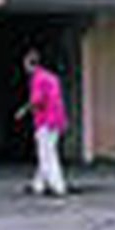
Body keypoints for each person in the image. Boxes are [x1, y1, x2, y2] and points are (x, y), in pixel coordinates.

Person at [18, 49, 67, 197]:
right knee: (47, 152)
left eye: (25, 64)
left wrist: (23, 111)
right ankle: (38, 185)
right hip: (57, 119)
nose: (24, 68)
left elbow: (37, 101)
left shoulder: (37, 79)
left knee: (47, 154)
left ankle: (57, 186)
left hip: (46, 121)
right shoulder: (51, 77)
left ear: (29, 64)